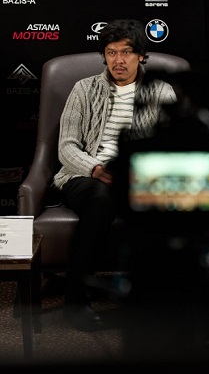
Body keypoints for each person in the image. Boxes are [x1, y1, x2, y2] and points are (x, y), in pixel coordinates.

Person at [53, 18, 177, 331]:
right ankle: (75, 300)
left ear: (141, 56)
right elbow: (66, 147)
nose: (118, 60)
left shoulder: (161, 91)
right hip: (86, 174)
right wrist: (95, 169)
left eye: (126, 52)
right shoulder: (84, 89)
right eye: (111, 53)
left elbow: (172, 146)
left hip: (140, 176)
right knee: (100, 198)